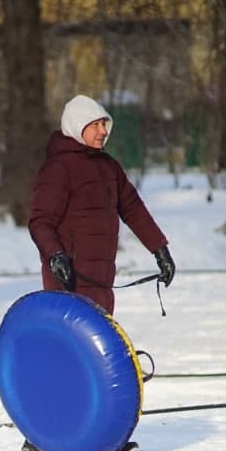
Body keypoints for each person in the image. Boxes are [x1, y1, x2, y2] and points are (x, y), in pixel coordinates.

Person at [28, 93, 175, 317]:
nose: (103, 131)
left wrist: (160, 250)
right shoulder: (58, 168)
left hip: (102, 282)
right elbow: (40, 222)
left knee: (97, 350)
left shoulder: (109, 167)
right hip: (68, 282)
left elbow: (134, 210)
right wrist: (55, 256)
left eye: (104, 124)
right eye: (95, 125)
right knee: (70, 350)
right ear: (78, 126)